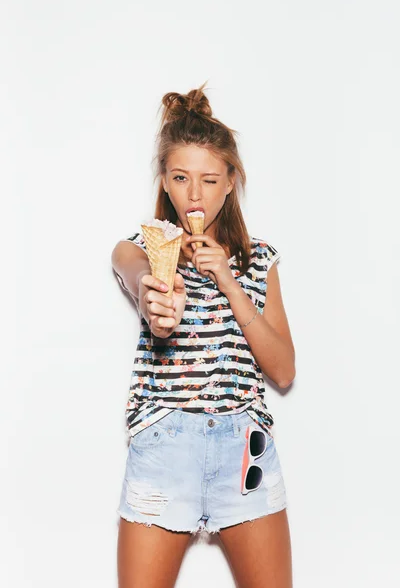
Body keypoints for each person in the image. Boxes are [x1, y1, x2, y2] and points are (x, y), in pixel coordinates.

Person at [112, 82, 295, 588]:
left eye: (210, 180)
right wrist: (154, 297)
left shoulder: (259, 259)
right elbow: (131, 269)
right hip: (164, 441)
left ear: (231, 181)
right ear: (165, 184)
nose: (195, 195)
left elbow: (283, 371)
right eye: (180, 178)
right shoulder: (145, 247)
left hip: (244, 448)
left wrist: (229, 283)